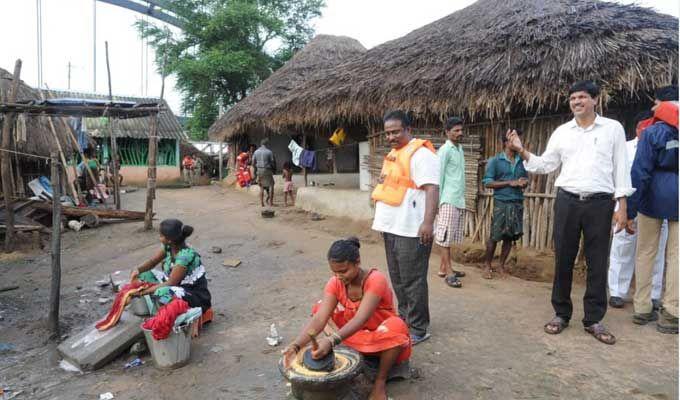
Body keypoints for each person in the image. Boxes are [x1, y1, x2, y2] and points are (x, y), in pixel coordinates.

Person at [507, 80, 633, 345]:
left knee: (598, 260)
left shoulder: (613, 129)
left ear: (595, 100)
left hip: (600, 203)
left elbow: (621, 168)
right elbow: (545, 164)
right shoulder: (562, 132)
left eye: (583, 97)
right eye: (573, 98)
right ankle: (561, 314)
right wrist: (522, 150)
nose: (577, 101)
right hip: (567, 201)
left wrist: (622, 206)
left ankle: (594, 319)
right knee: (563, 257)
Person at [281, 238, 411, 400]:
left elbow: (361, 318)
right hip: (352, 335)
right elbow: (320, 318)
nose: (339, 276)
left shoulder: (375, 280)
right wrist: (296, 345)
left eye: (343, 271)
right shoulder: (335, 282)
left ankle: (379, 383)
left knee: (397, 326)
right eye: (334, 272)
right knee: (320, 307)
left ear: (358, 262)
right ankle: (345, 347)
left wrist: (331, 340)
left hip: (379, 336)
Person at [371, 110, 439, 345]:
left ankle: (419, 328)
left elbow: (432, 189)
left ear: (408, 129)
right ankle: (404, 320)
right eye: (388, 133)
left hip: (412, 228)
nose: (391, 136)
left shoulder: (422, 155)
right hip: (391, 227)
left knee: (413, 279)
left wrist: (428, 223)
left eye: (396, 131)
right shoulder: (393, 154)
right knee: (398, 278)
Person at [627, 86, 679, 334]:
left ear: (666, 103)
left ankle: (642, 307)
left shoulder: (653, 131)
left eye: (656, 103)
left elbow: (640, 172)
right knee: (677, 256)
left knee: (646, 251)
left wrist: (630, 208)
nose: (652, 107)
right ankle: (671, 313)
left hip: (653, 195)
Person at [608, 111, 668, 310]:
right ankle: (617, 292)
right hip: (627, 206)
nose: (649, 130)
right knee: (622, 247)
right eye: (645, 126)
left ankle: (652, 295)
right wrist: (618, 206)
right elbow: (614, 177)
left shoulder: (665, 147)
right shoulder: (624, 149)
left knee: (656, 252)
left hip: (658, 206)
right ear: (637, 129)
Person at [130, 219, 212, 314]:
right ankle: (159, 305)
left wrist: (142, 292)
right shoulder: (169, 247)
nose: (159, 238)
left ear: (169, 240)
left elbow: (171, 283)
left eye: (161, 236)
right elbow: (152, 262)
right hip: (174, 285)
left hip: (193, 295)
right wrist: (137, 270)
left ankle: (165, 310)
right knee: (144, 274)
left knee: (162, 292)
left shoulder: (185, 256)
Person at [482, 129, 529, 279]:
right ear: (506, 142)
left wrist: (523, 183)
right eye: (514, 140)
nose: (517, 143)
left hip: (516, 203)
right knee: (495, 236)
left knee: (510, 236)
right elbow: (487, 183)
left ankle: (501, 266)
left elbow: (525, 179)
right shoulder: (495, 161)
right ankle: (487, 265)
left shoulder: (522, 161)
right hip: (501, 202)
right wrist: (510, 182)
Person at [435, 116, 467, 288]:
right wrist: (438, 203)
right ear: (447, 132)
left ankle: (444, 269)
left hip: (457, 199)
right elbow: (438, 177)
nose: (460, 133)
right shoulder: (445, 151)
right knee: (444, 237)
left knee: (450, 236)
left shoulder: (459, 149)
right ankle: (449, 274)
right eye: (456, 130)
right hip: (447, 199)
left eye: (461, 130)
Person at [252, 138, 277, 207]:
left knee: (261, 187)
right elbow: (272, 162)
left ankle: (262, 203)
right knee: (271, 185)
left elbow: (253, 162)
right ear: (266, 144)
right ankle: (271, 203)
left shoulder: (256, 152)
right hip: (267, 170)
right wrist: (273, 169)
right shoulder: (269, 152)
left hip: (259, 170)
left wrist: (255, 169)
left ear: (261, 144)